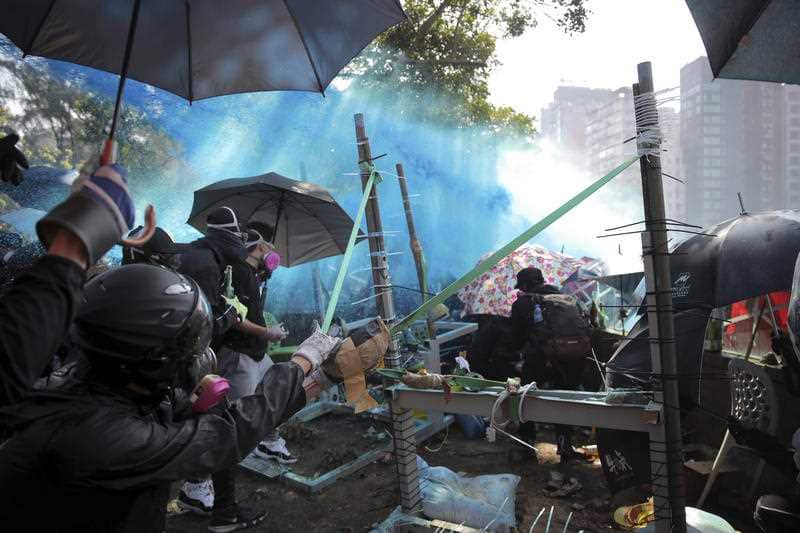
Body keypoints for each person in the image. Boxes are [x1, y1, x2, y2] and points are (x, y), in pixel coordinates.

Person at [0, 163, 343, 531]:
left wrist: (71, 246)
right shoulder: (109, 437)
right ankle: (215, 506)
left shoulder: (70, 387)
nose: (194, 361)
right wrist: (306, 362)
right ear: (148, 360)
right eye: (183, 350)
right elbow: (230, 433)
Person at [175, 209, 288, 527]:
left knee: (222, 425)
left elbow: (217, 309)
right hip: (205, 360)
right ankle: (201, 491)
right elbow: (211, 316)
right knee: (225, 427)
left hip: (199, 360)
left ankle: (214, 501)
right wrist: (241, 322)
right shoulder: (208, 265)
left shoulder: (211, 261)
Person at [225, 228, 297, 464]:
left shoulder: (251, 273)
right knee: (242, 412)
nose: (272, 252)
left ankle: (269, 442)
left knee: (274, 395)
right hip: (240, 352)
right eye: (270, 246)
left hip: (256, 351)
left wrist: (262, 275)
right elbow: (235, 318)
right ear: (262, 247)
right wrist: (268, 332)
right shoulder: (238, 272)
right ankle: (214, 473)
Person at [509, 266, 591, 463]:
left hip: (542, 359)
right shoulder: (567, 298)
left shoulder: (524, 303)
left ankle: (527, 447)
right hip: (574, 358)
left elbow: (515, 339)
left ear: (526, 285)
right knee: (564, 400)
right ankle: (565, 447)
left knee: (525, 398)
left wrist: (517, 352)